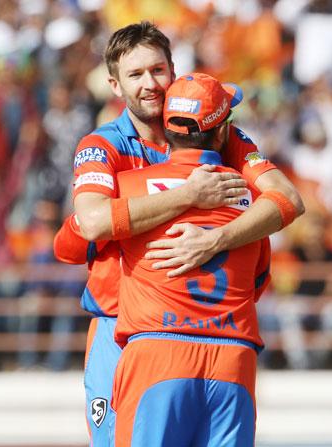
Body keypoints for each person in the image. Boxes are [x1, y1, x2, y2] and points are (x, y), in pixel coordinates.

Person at [53, 21, 302, 445]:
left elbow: (289, 200)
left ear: (174, 69)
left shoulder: (221, 132)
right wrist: (189, 194)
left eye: (157, 70)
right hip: (120, 324)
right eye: (135, 75)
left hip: (192, 331)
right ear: (115, 85)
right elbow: (89, 224)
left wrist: (216, 239)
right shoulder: (103, 143)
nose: (149, 84)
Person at [111, 72, 271, 447]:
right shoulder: (251, 198)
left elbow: (70, 243)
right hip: (232, 357)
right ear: (221, 134)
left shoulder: (129, 187)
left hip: (156, 352)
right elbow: (259, 280)